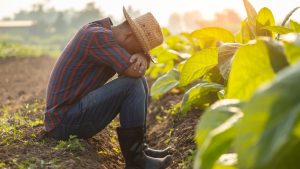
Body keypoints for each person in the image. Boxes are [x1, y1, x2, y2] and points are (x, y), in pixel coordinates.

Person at [44, 7, 172, 169]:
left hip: (71, 114)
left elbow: (137, 71)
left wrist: (143, 56)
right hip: (63, 123)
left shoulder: (103, 32)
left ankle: (140, 150)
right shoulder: (97, 37)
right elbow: (134, 71)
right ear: (129, 36)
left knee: (139, 82)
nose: (137, 53)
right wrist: (143, 58)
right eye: (138, 48)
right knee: (132, 84)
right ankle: (136, 162)